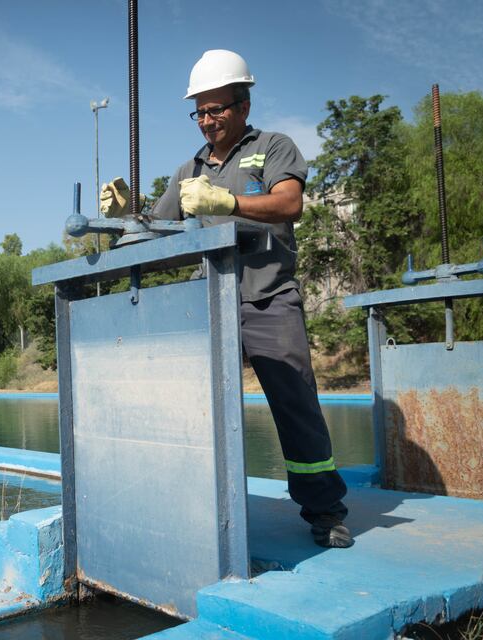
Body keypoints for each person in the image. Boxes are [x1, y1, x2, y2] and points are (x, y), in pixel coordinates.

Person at [100, 49, 352, 549]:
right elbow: (156, 231)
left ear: (243, 104)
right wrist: (127, 212)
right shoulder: (188, 169)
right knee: (189, 407)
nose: (208, 121)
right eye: (200, 112)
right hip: (210, 304)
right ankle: (191, 508)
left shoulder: (274, 146)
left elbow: (289, 203)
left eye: (217, 109)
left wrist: (228, 201)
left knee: (295, 403)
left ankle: (324, 510)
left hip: (269, 299)